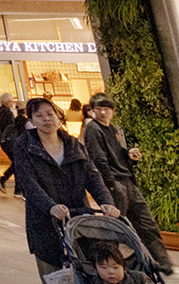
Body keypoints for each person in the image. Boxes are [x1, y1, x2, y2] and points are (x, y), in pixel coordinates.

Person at [76, 95, 179, 281]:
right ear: (92, 110)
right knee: (115, 231)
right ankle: (108, 272)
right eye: (98, 108)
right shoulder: (93, 128)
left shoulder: (111, 128)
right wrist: (111, 187)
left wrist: (127, 154)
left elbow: (114, 153)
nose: (102, 112)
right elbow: (99, 159)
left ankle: (165, 268)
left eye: (106, 108)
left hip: (126, 182)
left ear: (112, 111)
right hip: (116, 183)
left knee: (146, 226)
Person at [11, 97, 120, 276]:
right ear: (31, 121)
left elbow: (92, 176)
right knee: (53, 274)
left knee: (87, 270)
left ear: (58, 116)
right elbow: (29, 184)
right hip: (45, 222)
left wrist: (106, 202)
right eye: (39, 116)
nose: (46, 119)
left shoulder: (73, 144)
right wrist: (50, 207)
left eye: (50, 114)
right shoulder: (24, 146)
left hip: (78, 218)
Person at [81, 239, 151, 284]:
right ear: (96, 269)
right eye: (103, 268)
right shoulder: (90, 282)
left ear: (124, 267)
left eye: (115, 267)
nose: (110, 272)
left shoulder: (139, 279)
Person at [0, 93, 20, 190]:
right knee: (17, 162)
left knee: (17, 162)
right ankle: (6, 181)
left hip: (4, 142)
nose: (13, 103)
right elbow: (10, 128)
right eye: (11, 101)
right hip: (9, 142)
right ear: (8, 102)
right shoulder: (8, 113)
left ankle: (12, 184)